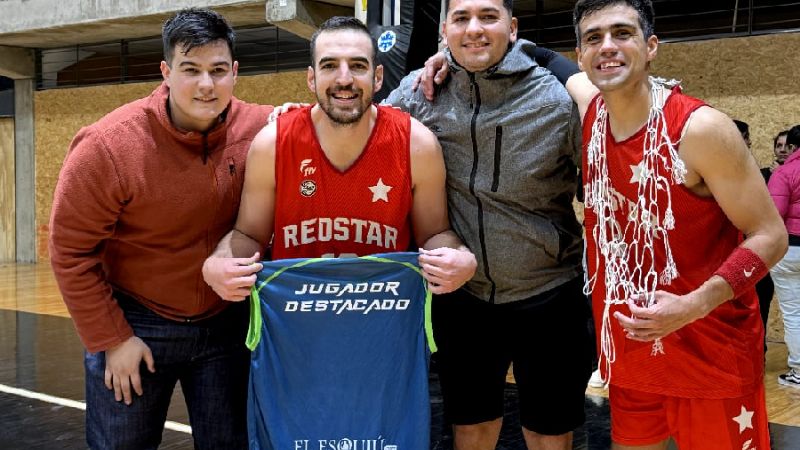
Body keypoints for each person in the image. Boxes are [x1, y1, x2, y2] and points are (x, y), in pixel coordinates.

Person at [48, 8, 273, 449]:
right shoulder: (108, 146)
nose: (206, 85)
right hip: (136, 321)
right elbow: (70, 252)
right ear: (166, 72)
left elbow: (332, 115)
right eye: (190, 70)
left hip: (227, 325)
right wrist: (112, 340)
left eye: (218, 70)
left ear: (235, 72)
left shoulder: (264, 128)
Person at [566, 0, 787, 448]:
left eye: (622, 33)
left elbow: (771, 235)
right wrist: (446, 58)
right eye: (593, 38)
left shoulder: (700, 129)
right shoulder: (591, 107)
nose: (606, 46)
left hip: (710, 347)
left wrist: (694, 304)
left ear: (651, 47)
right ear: (581, 55)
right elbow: (541, 60)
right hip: (632, 347)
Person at [385, 1, 593, 448]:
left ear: (512, 27)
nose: (474, 29)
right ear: (445, 31)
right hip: (464, 299)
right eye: (461, 19)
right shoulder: (419, 92)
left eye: (488, 17)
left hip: (550, 293)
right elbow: (357, 127)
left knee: (549, 432)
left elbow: (609, 174)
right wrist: (290, 119)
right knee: (471, 427)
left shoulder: (556, 99)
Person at [767, 124, 800, 389]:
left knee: (793, 313)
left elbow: (774, 214)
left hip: (791, 250)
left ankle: (799, 371)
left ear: (791, 147)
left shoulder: (784, 173)